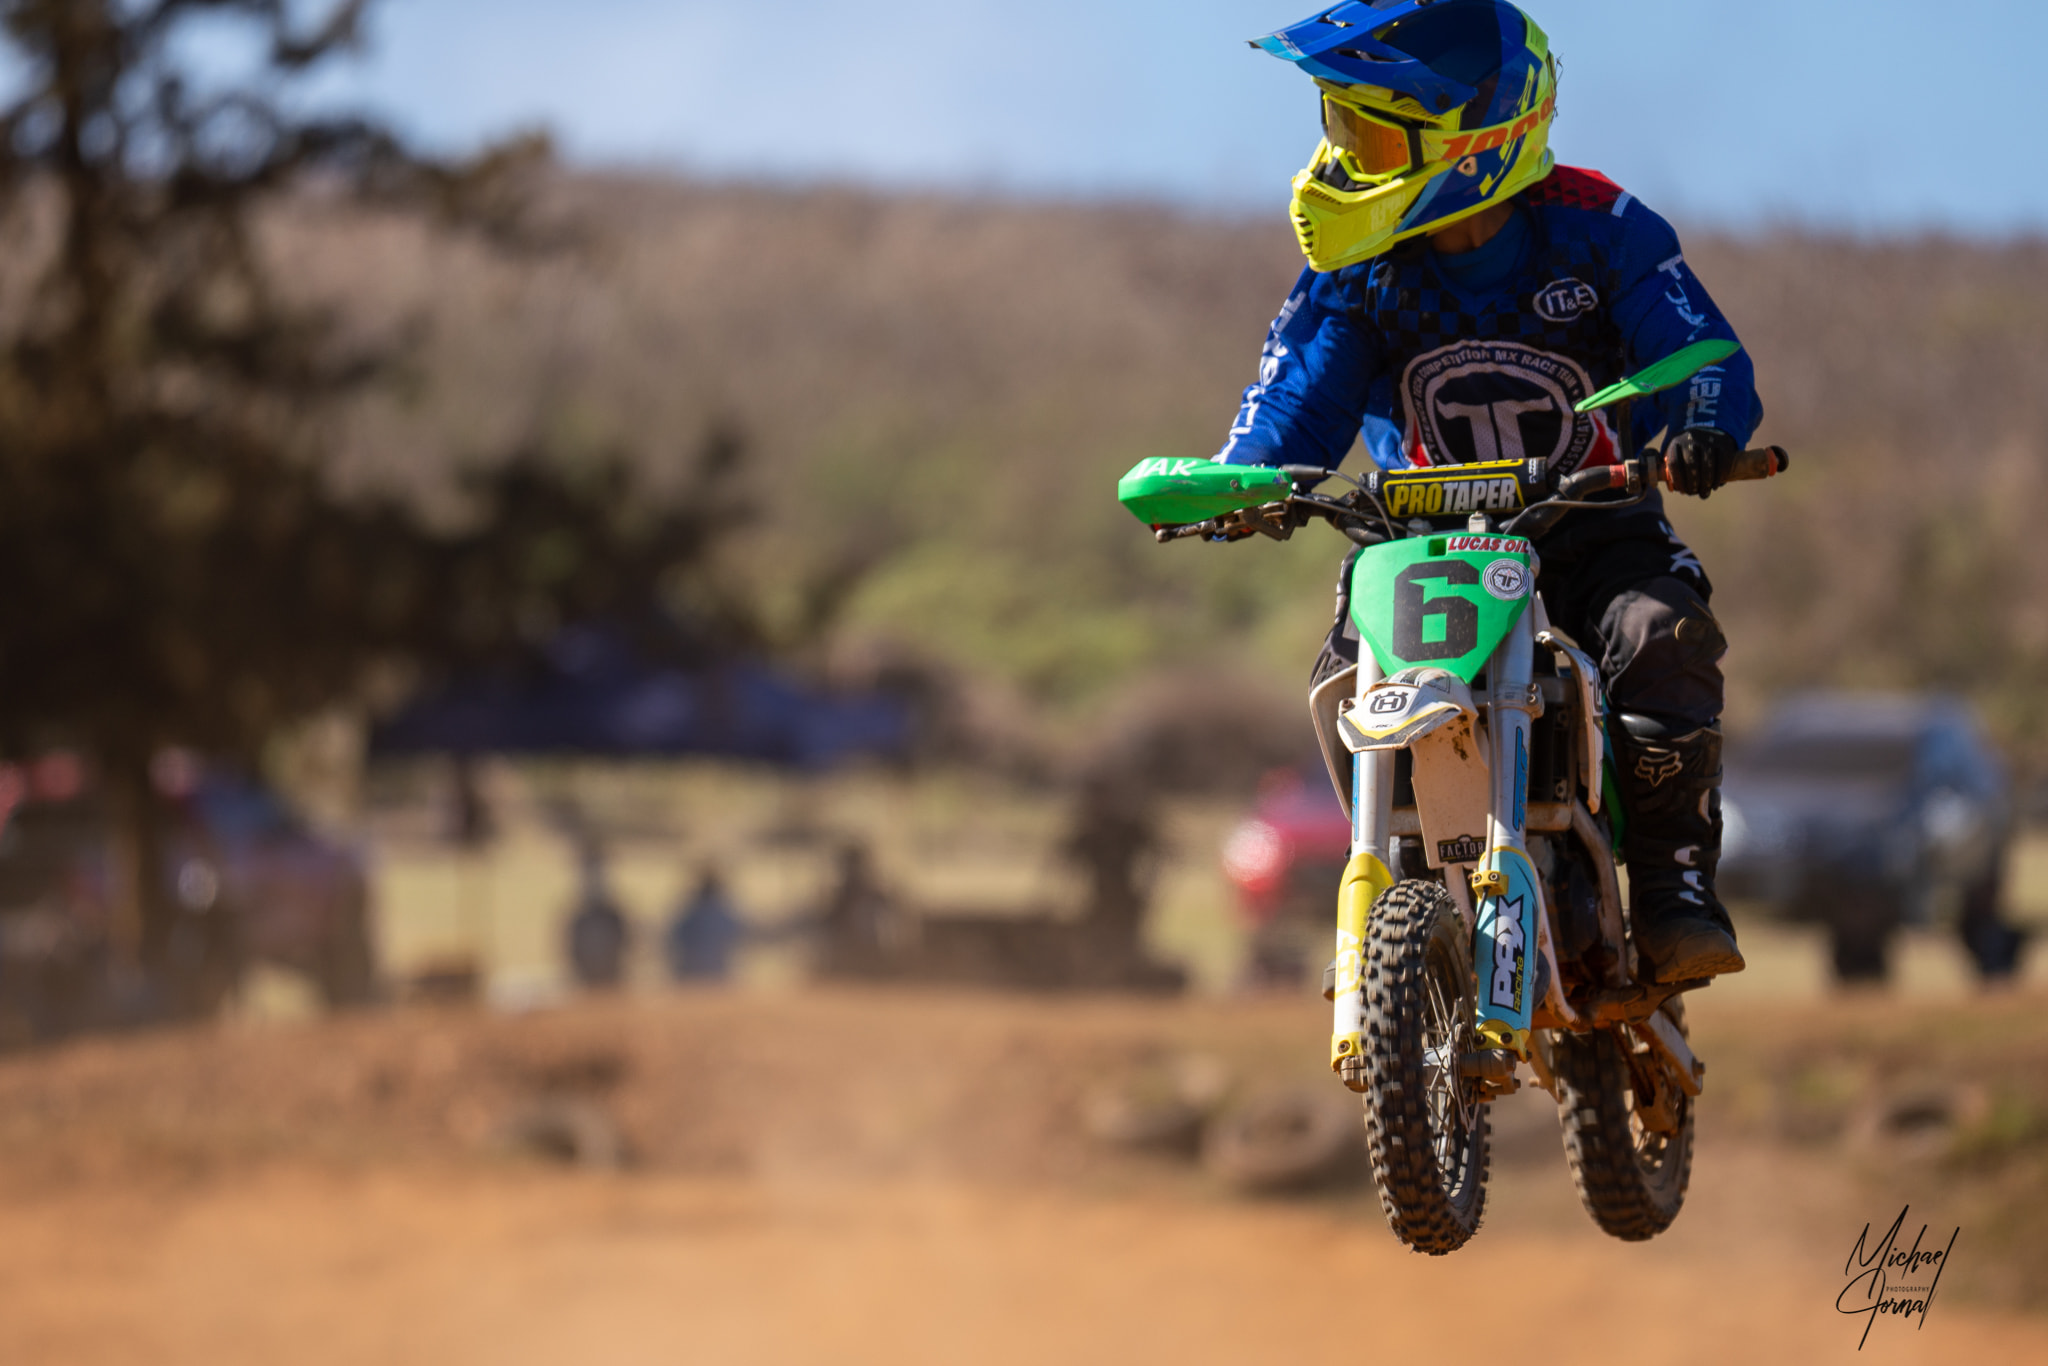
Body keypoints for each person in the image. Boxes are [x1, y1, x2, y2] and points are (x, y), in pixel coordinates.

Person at [1220, 1, 1761, 983]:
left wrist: (1702, 426)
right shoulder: (1362, 268)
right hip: (1424, 548)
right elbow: (1296, 399)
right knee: (1344, 677)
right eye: (1342, 128)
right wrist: (1240, 479)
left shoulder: (1598, 229)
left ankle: (1671, 887)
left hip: (1593, 527)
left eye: (1373, 136)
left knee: (1660, 634)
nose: (1344, 158)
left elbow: (1697, 350)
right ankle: (1398, 891)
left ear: (1476, 140)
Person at [565, 841, 630, 989]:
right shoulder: (579, 918)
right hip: (587, 982)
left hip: (613, 981)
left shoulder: (614, 916)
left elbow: (627, 945)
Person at [665, 863, 744, 983]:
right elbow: (738, 936)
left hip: (696, 973)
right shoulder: (723, 913)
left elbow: (673, 937)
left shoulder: (689, 912)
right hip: (712, 973)